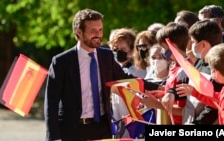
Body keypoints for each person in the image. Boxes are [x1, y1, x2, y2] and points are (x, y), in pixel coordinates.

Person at [44, 8, 160, 141]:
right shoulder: (61, 61)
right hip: (72, 131)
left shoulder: (106, 56)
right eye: (93, 31)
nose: (98, 35)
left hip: (101, 129)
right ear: (79, 32)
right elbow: (51, 104)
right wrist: (54, 138)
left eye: (100, 30)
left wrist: (159, 88)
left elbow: (128, 79)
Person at [176, 43, 224, 124]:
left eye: (212, 69)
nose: (211, 73)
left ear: (217, 71)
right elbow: (218, 100)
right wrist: (195, 92)